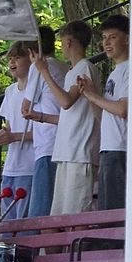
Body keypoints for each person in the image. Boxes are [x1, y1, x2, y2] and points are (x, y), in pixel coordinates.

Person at [31, 20, 100, 215]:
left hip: (80, 151)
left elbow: (66, 101)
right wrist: (42, 117)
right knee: (58, 214)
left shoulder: (84, 67)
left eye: (62, 42)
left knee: (75, 211)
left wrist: (44, 71)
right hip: (68, 150)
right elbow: (67, 114)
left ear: (69, 41)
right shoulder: (73, 71)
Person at [0, 40, 37, 223]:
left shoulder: (38, 89)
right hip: (11, 167)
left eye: (17, 58)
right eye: (10, 59)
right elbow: (10, 129)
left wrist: (13, 136)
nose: (12, 63)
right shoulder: (10, 91)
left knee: (24, 223)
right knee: (6, 225)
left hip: (30, 166)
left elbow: (45, 132)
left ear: (31, 58)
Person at [79, 14, 129, 210]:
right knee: (105, 210)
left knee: (114, 211)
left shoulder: (130, 69)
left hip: (120, 147)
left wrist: (94, 96)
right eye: (104, 38)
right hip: (108, 147)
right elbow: (105, 114)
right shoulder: (115, 72)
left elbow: (123, 109)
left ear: (127, 39)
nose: (106, 43)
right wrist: (90, 95)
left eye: (113, 37)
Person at [21, 26, 69, 218]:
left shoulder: (39, 67)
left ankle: (33, 248)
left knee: (40, 208)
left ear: (32, 52)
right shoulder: (64, 67)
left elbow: (25, 106)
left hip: (47, 143)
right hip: (64, 140)